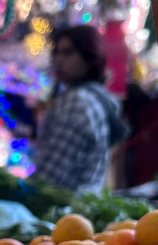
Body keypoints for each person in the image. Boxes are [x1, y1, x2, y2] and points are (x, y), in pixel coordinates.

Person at [33, 25, 130, 193]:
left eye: (68, 53)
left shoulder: (77, 102)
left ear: (89, 57)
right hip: (79, 208)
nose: (58, 60)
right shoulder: (95, 99)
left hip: (61, 209)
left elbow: (49, 179)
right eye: (56, 52)